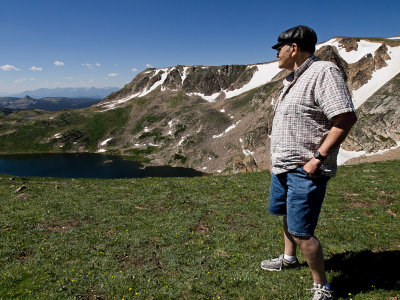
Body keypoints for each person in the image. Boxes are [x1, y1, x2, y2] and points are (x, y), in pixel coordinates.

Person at [261, 25, 357, 300]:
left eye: (279, 48)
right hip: (283, 166)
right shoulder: (291, 79)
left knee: (302, 230)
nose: (276, 54)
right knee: (287, 219)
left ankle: (322, 286)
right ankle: (288, 259)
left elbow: (346, 117)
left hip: (306, 169)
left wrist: (318, 158)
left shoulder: (323, 71)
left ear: (293, 48)